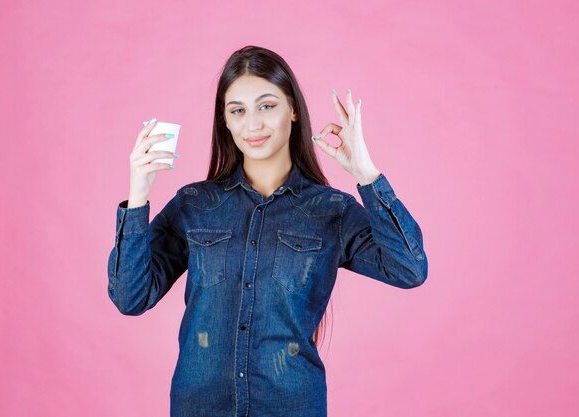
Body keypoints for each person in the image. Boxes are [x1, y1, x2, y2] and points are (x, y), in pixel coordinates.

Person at [107, 45, 428, 417]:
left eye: (267, 106)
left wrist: (366, 175)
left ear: (293, 110)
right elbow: (130, 298)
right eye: (237, 111)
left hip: (291, 405)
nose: (253, 124)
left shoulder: (331, 211)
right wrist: (138, 194)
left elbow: (409, 269)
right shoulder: (194, 204)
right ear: (224, 121)